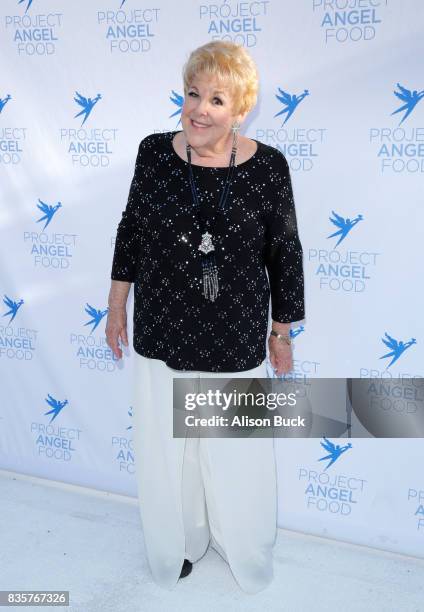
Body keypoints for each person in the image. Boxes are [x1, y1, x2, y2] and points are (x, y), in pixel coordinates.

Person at [106, 40, 305, 594]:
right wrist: (117, 302)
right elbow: (131, 232)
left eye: (217, 99)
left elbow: (285, 253)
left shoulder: (268, 167)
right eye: (193, 93)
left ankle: (242, 546)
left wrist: (281, 332)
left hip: (235, 332)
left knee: (234, 450)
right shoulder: (153, 153)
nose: (199, 109)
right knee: (167, 449)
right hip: (162, 326)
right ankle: (182, 543)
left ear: (240, 110)